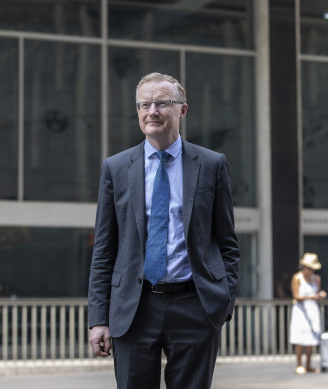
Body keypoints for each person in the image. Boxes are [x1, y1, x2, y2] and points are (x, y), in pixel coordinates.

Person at [87, 72, 241, 389]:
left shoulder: (211, 165)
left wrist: (222, 303)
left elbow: (228, 244)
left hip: (195, 305)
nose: (152, 111)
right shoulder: (115, 168)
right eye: (144, 104)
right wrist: (98, 319)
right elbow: (104, 250)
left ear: (182, 110)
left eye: (162, 103)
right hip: (134, 307)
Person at [289, 253, 326, 374]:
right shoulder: (297, 277)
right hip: (301, 310)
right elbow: (296, 296)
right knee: (299, 337)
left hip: (312, 310)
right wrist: (311, 297)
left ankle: (309, 364)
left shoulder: (317, 278)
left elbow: (318, 293)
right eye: (309, 267)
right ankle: (299, 364)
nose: (311, 270)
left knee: (311, 338)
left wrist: (320, 296)